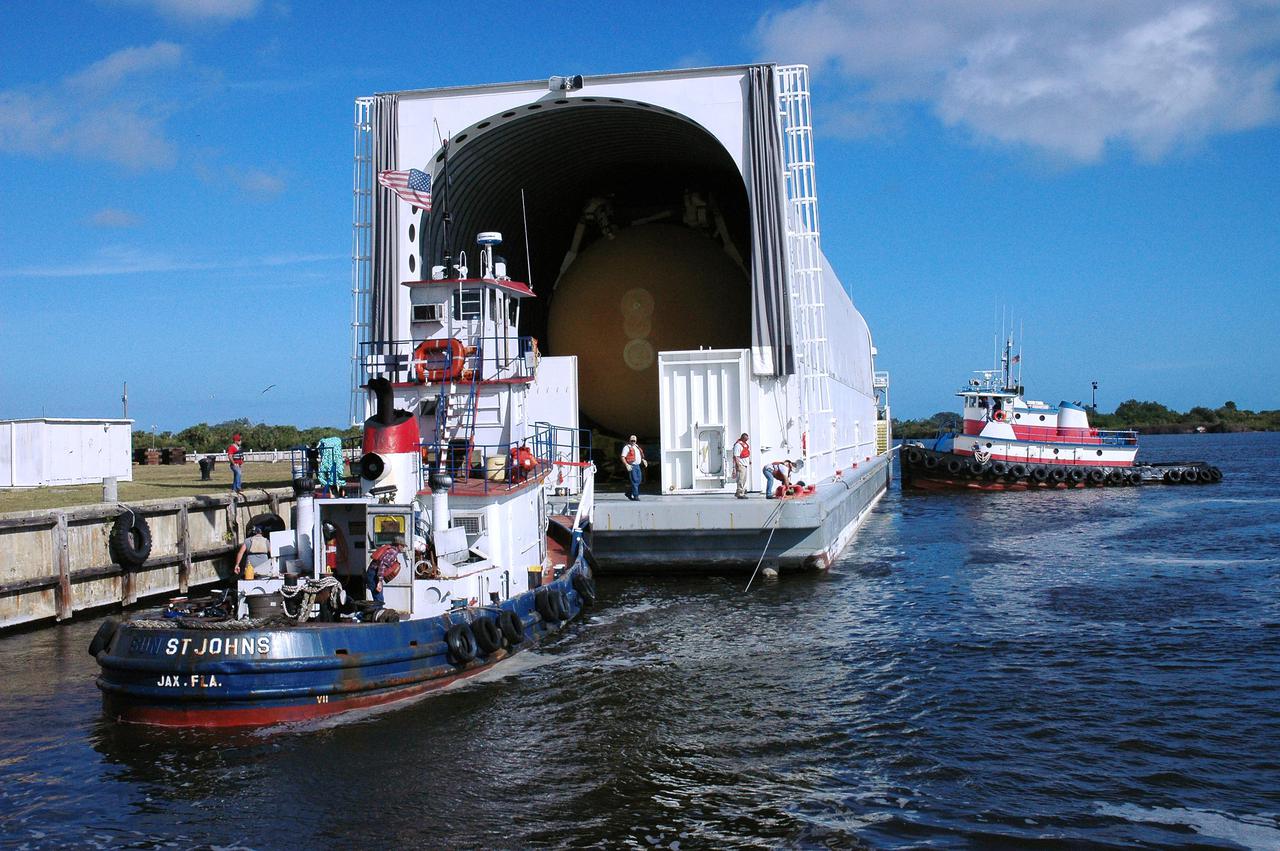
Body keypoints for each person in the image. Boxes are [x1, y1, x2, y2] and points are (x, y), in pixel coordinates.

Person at [365, 535, 406, 604]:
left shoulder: (389, 549)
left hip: (372, 572)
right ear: (399, 545)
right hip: (375, 574)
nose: (403, 548)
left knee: (378, 598)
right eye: (403, 546)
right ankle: (376, 614)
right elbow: (382, 566)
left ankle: (375, 612)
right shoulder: (393, 552)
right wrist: (380, 582)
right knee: (379, 600)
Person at [620, 435, 647, 501]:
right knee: (635, 480)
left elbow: (640, 455)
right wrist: (626, 464)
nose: (633, 442)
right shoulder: (627, 447)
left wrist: (643, 460)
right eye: (632, 440)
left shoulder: (637, 447)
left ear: (636, 441)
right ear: (629, 440)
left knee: (639, 480)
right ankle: (636, 496)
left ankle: (629, 493)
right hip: (632, 465)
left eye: (634, 441)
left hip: (637, 465)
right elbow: (623, 457)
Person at [732, 433, 751, 499]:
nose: (747, 439)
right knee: (740, 479)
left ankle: (740, 492)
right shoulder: (738, 445)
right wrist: (738, 465)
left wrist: (749, 461)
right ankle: (740, 493)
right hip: (741, 464)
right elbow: (736, 456)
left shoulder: (745, 445)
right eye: (746, 438)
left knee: (744, 479)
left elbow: (746, 454)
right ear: (743, 438)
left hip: (745, 465)